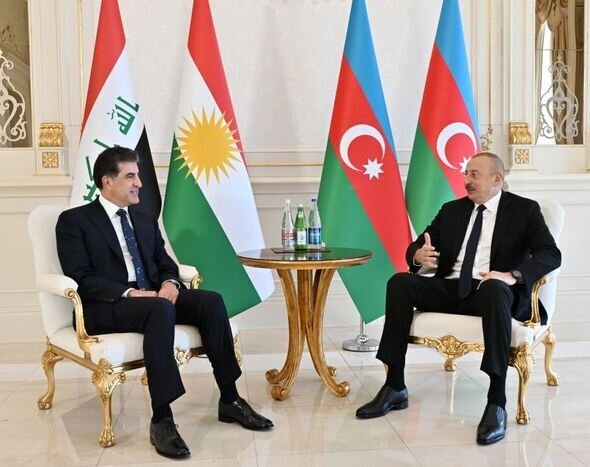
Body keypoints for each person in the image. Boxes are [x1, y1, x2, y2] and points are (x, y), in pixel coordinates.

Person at [56, 147, 273, 459]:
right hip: (107, 304)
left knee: (211, 301)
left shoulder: (144, 219)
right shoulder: (74, 221)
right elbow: (80, 276)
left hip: (153, 298)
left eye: (138, 176)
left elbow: (166, 264)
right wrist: (130, 293)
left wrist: (170, 283)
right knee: (159, 308)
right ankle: (162, 419)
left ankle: (230, 399)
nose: (139, 183)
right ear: (107, 181)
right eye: (130, 176)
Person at [355, 152, 561, 445]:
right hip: (451, 289)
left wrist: (511, 275)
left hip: (493, 293)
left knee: (494, 288)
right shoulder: (452, 210)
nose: (466, 180)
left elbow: (551, 254)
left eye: (474, 174)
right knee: (400, 283)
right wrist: (417, 255)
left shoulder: (524, 210)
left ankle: (496, 402)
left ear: (497, 179)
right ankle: (395, 386)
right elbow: (419, 245)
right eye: (466, 173)